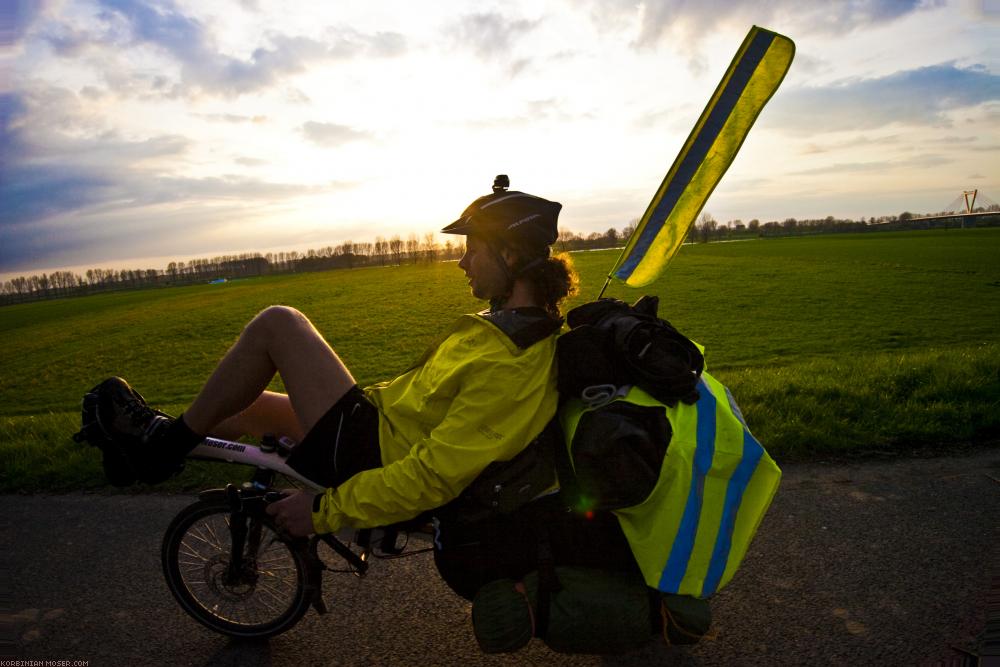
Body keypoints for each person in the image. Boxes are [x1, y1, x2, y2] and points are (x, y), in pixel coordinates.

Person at [83, 175, 578, 540]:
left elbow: (434, 477)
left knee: (280, 323)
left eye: (473, 249)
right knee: (246, 410)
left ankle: (163, 443)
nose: (462, 261)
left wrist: (323, 510)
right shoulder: (504, 328)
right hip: (375, 428)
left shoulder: (516, 360)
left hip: (371, 453)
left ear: (511, 256)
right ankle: (143, 459)